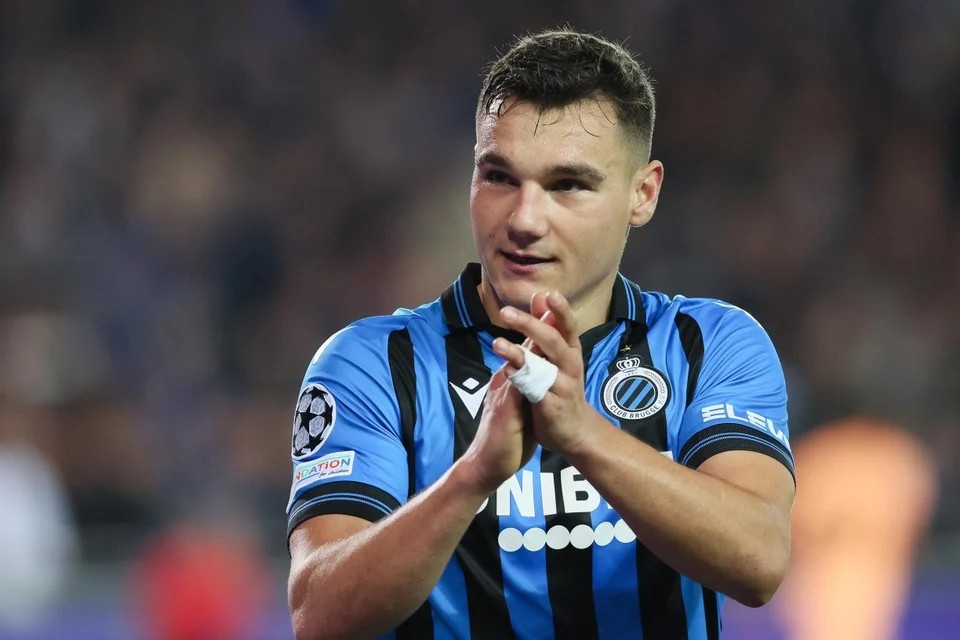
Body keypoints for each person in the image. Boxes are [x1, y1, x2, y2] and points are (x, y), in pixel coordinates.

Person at [286, 28, 796, 640]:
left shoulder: (709, 345)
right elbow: (319, 615)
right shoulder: (372, 363)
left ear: (643, 194)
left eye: (567, 185)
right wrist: (473, 476)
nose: (524, 220)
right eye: (500, 177)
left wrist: (582, 435)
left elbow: (760, 562)